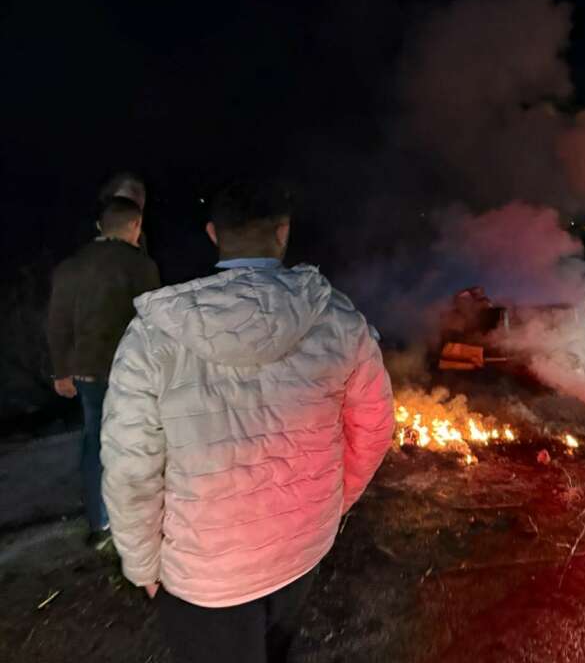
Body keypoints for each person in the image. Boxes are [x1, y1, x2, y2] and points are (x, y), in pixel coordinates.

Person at [100, 179, 395, 663]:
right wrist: (336, 503)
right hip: (302, 549)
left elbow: (132, 469)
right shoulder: (340, 320)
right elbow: (375, 427)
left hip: (207, 576)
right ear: (283, 232)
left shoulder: (154, 337)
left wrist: (141, 563)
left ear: (214, 234)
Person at [47, 196, 161, 549]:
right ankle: (144, 517)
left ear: (99, 227)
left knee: (95, 441)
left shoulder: (71, 266)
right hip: (133, 371)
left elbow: (57, 323)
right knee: (144, 440)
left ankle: (100, 524)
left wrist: (61, 371)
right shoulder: (140, 264)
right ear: (136, 227)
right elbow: (154, 320)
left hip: (86, 373)